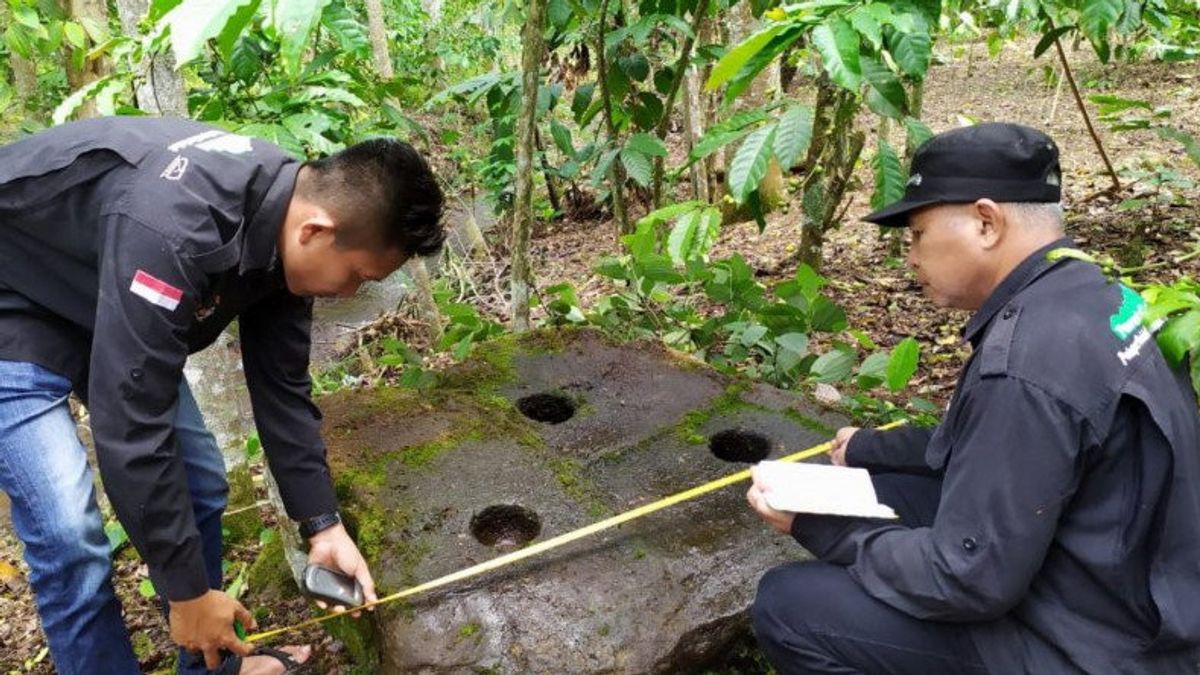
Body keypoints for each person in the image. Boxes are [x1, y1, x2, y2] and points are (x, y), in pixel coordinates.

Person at [745, 122, 1200, 674]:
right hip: (1137, 587)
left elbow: (967, 579)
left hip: (1103, 648)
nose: (910, 257)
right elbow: (998, 451)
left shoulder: (1027, 360)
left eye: (916, 234)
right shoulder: (1091, 296)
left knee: (791, 606)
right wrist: (870, 449)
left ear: (986, 222)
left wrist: (818, 527)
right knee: (884, 490)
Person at [0, 117, 445, 674]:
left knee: (201, 482)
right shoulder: (173, 227)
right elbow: (131, 420)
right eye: (356, 276)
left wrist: (322, 524)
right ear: (317, 231)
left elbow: (282, 388)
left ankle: (211, 664)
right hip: (12, 302)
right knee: (70, 538)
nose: (351, 293)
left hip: (99, 291)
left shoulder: (285, 220)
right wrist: (185, 592)